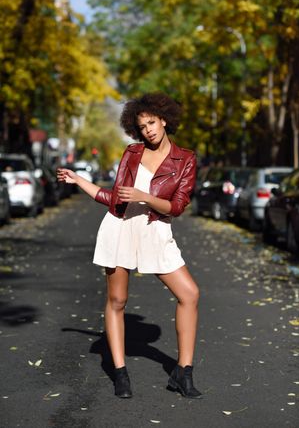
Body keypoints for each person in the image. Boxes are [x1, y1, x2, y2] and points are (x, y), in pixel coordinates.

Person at [57, 92, 201, 399]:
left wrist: (145, 197)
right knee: (117, 301)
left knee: (189, 293)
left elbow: (176, 207)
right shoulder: (132, 153)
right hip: (120, 228)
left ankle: (183, 372)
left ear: (164, 120)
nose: (148, 129)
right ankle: (120, 373)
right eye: (142, 125)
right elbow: (115, 198)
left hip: (155, 230)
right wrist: (79, 180)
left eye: (152, 122)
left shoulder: (185, 159)